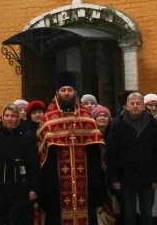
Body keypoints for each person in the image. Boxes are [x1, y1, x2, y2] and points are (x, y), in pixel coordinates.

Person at [37, 72, 106, 225]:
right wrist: (46, 187)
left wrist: (97, 183)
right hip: (57, 186)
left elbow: (96, 155)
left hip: (86, 186)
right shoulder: (48, 121)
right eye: (63, 90)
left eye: (70, 90)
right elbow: (42, 158)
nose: (67, 93)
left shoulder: (87, 119)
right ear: (57, 93)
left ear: (75, 92)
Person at [105, 92, 157, 225]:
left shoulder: (153, 124)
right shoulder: (117, 123)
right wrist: (114, 178)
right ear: (126, 106)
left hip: (148, 177)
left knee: (147, 214)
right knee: (128, 214)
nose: (135, 106)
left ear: (144, 106)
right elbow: (111, 153)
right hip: (125, 177)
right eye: (132, 103)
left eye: (138, 103)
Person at [0, 104, 40, 225]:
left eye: (13, 116)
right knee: (4, 219)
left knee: (23, 219)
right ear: (3, 117)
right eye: (7, 115)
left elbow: (33, 164)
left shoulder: (27, 137)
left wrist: (33, 188)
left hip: (22, 187)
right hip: (2, 188)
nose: (9, 119)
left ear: (18, 118)